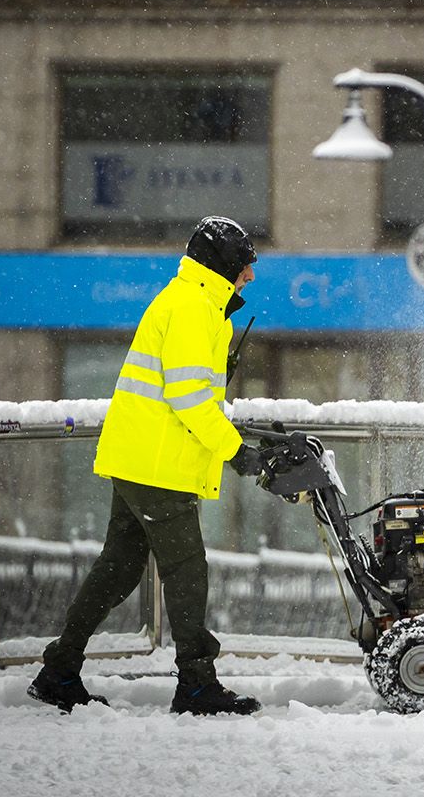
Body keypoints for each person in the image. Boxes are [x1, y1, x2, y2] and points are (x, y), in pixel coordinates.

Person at [29, 216, 266, 716]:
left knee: (117, 569)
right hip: (158, 465)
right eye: (245, 265)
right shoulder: (191, 308)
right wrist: (235, 450)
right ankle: (197, 684)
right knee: (186, 571)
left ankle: (59, 670)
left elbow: (189, 392)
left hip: (142, 458)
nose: (249, 275)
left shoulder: (195, 303)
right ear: (224, 263)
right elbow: (188, 397)